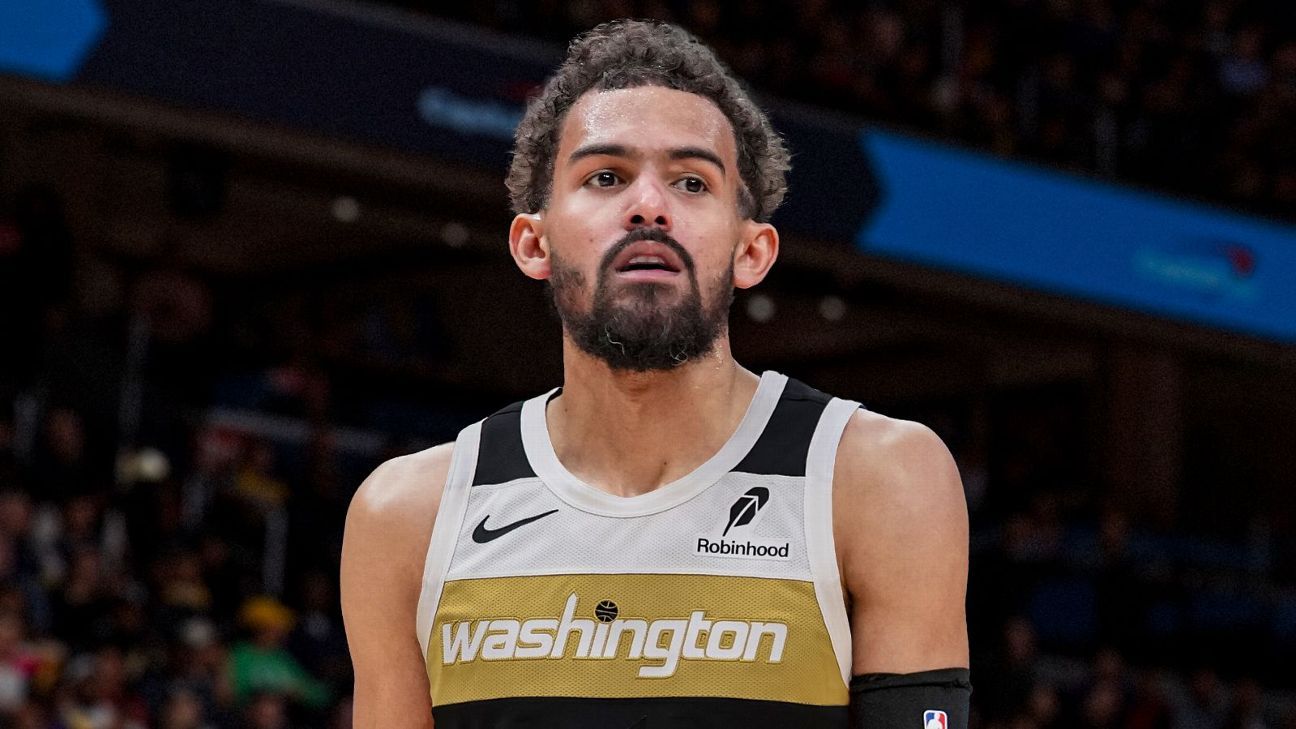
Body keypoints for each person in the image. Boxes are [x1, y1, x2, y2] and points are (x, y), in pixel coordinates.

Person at [341, 19, 970, 729]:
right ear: (533, 242)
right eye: (605, 177)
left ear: (752, 252)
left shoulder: (878, 477)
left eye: (692, 181)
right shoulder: (407, 516)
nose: (648, 206)